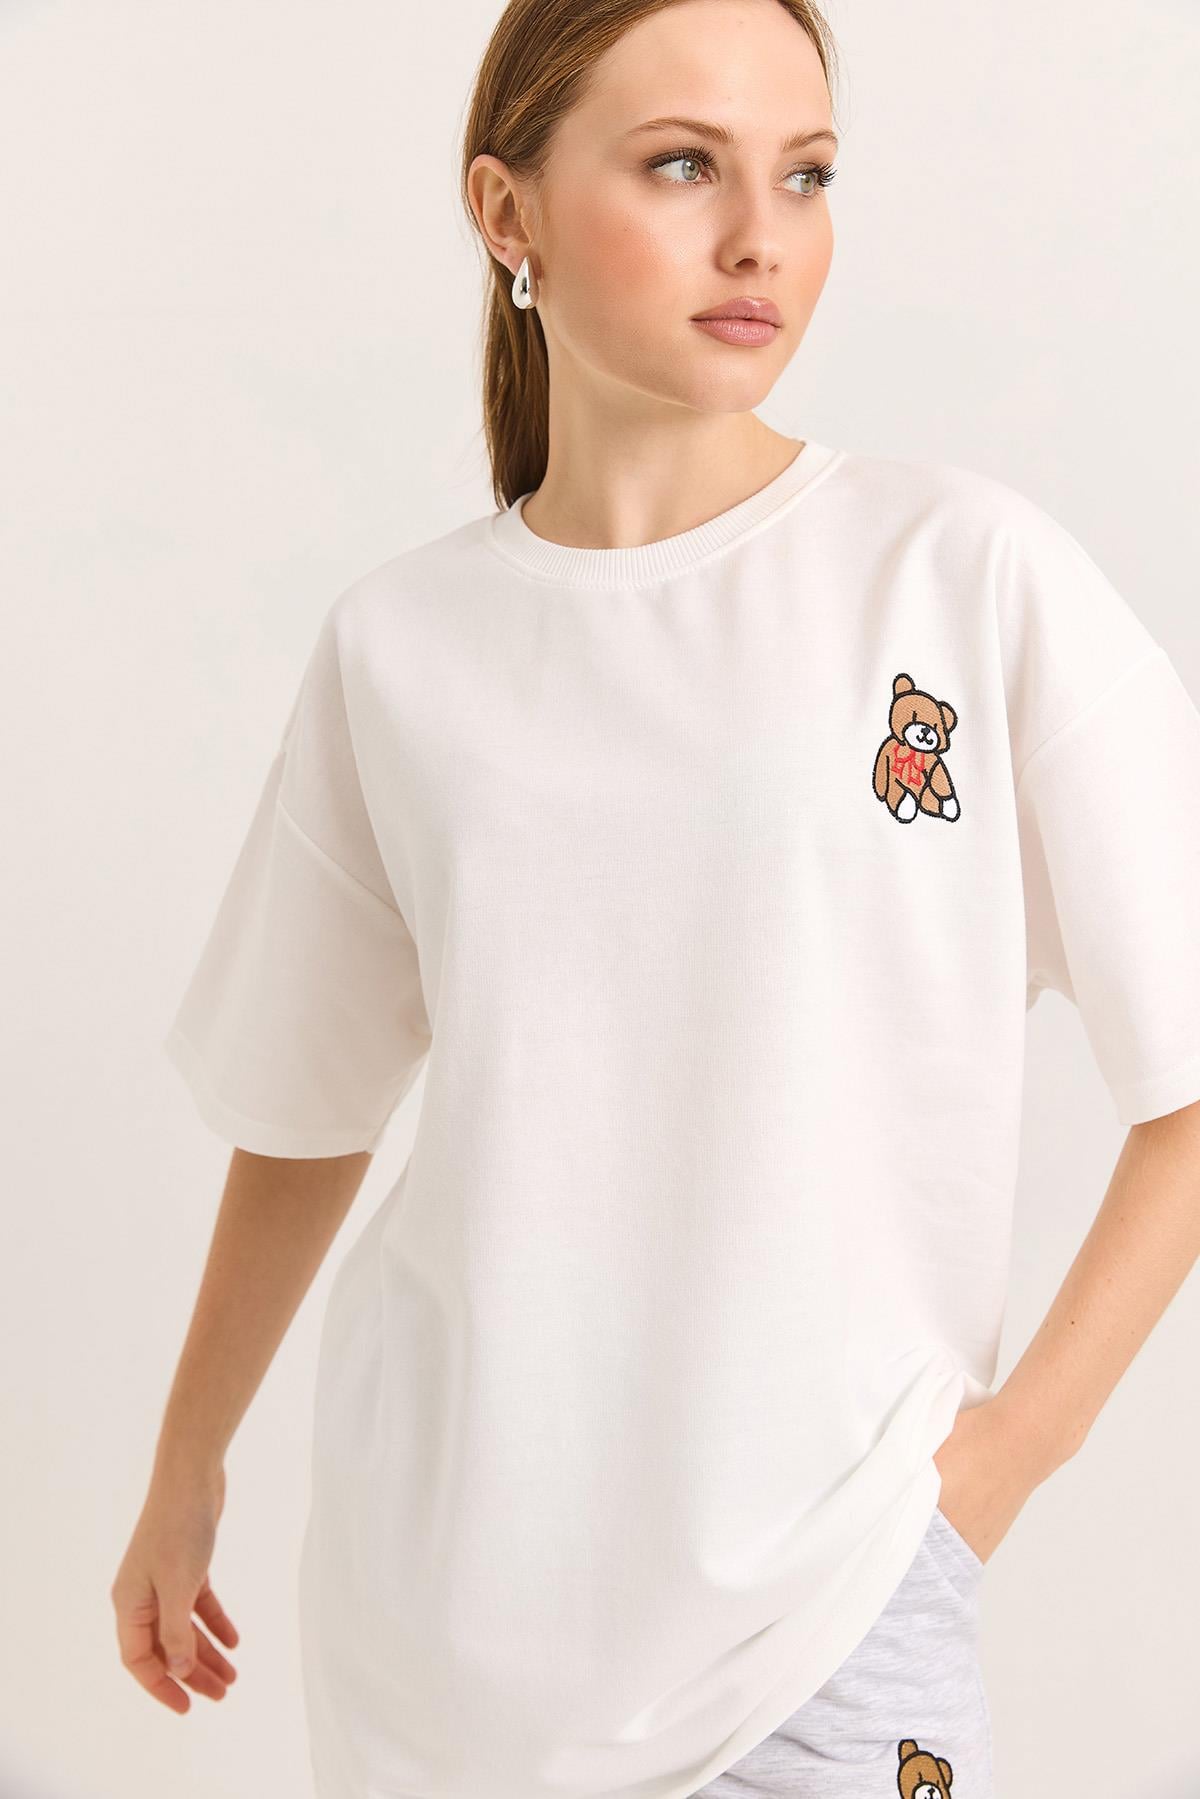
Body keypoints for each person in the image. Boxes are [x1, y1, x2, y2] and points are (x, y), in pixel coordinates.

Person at [111, 1, 1200, 1795]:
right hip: (445, 1654)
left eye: (807, 175)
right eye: (686, 165)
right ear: (508, 211)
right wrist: (186, 1463)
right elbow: (305, 1105)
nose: (762, 235)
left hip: (833, 1621)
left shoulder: (958, 579)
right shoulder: (402, 648)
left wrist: (993, 1476)